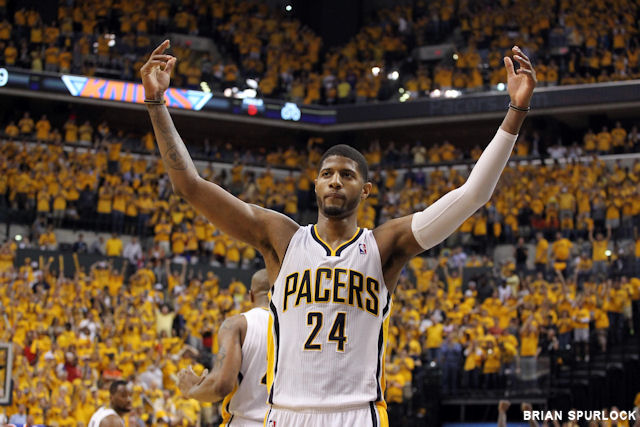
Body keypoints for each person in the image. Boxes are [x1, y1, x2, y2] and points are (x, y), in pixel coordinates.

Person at [142, 40, 536, 425]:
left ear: (365, 190)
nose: (335, 181)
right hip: (286, 414)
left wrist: (516, 111)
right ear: (315, 185)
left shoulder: (384, 245)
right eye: (327, 174)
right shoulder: (282, 238)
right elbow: (190, 186)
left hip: (357, 413)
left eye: (346, 175)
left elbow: (473, 195)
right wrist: (156, 104)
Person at [177, 269, 270, 426]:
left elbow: (221, 386)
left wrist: (191, 390)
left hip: (246, 421)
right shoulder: (298, 327)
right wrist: (206, 383)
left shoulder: (237, 324)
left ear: (251, 296)